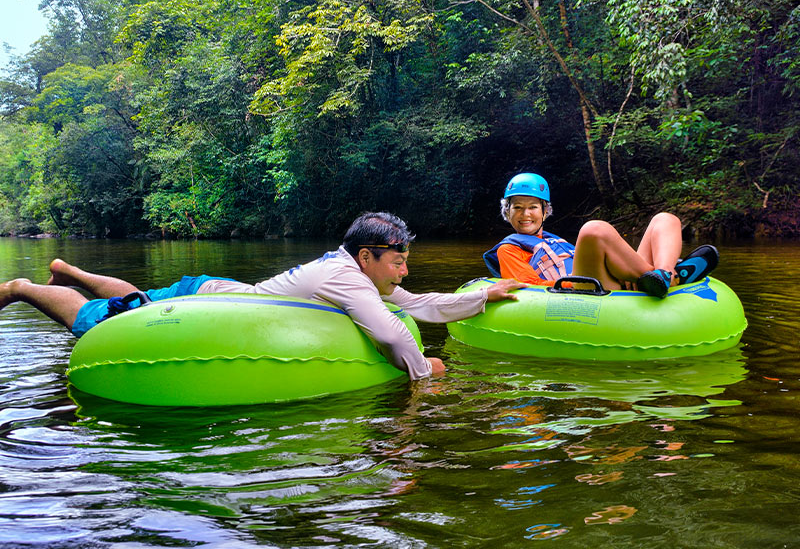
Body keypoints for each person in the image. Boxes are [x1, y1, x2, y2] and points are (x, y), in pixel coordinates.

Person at [0, 212, 525, 379]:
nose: (406, 269)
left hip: (217, 290)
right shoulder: (346, 278)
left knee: (139, 294)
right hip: (208, 305)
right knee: (101, 320)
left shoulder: (359, 274)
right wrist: (424, 379)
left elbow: (416, 305)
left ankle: (68, 268)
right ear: (366, 257)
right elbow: (392, 331)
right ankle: (24, 287)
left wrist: (482, 296)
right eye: (398, 260)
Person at [483, 173, 719, 298]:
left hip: (610, 280)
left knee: (666, 219)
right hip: (582, 290)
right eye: (517, 207)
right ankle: (671, 277)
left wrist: (620, 270)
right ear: (507, 212)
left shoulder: (554, 241)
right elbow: (528, 287)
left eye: (533, 207)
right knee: (593, 229)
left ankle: (664, 275)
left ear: (545, 211)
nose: (525, 214)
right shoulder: (509, 249)